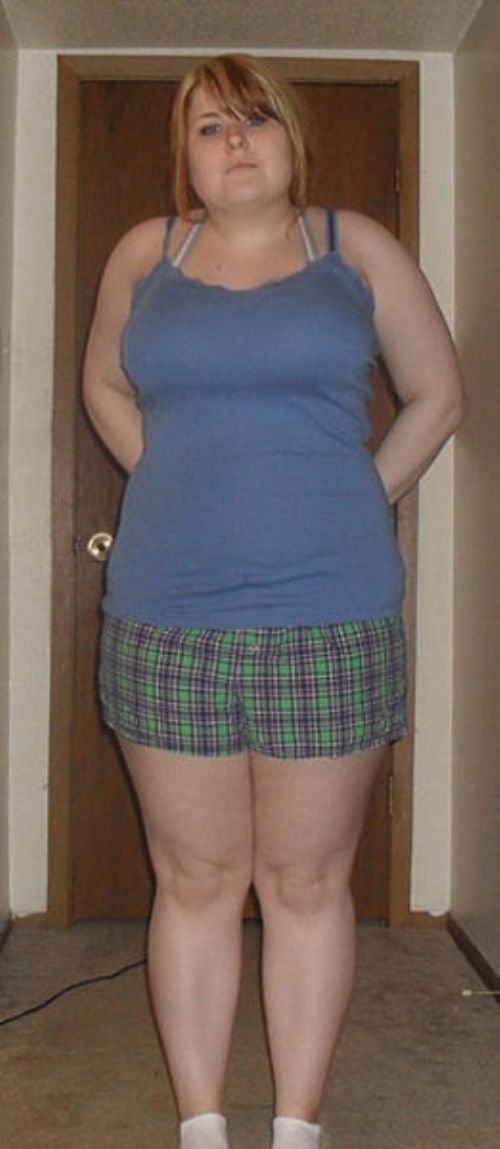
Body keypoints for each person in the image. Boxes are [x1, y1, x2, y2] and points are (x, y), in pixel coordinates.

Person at [83, 53, 465, 1149]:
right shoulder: (144, 254)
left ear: (293, 138)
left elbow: (437, 393)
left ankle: (297, 1127)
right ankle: (202, 1126)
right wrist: (169, 472)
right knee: (196, 878)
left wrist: (356, 490)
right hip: (166, 614)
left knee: (304, 881)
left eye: (254, 119)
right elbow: (101, 381)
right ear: (185, 154)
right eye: (209, 126)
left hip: (331, 613)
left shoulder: (356, 249)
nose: (234, 141)